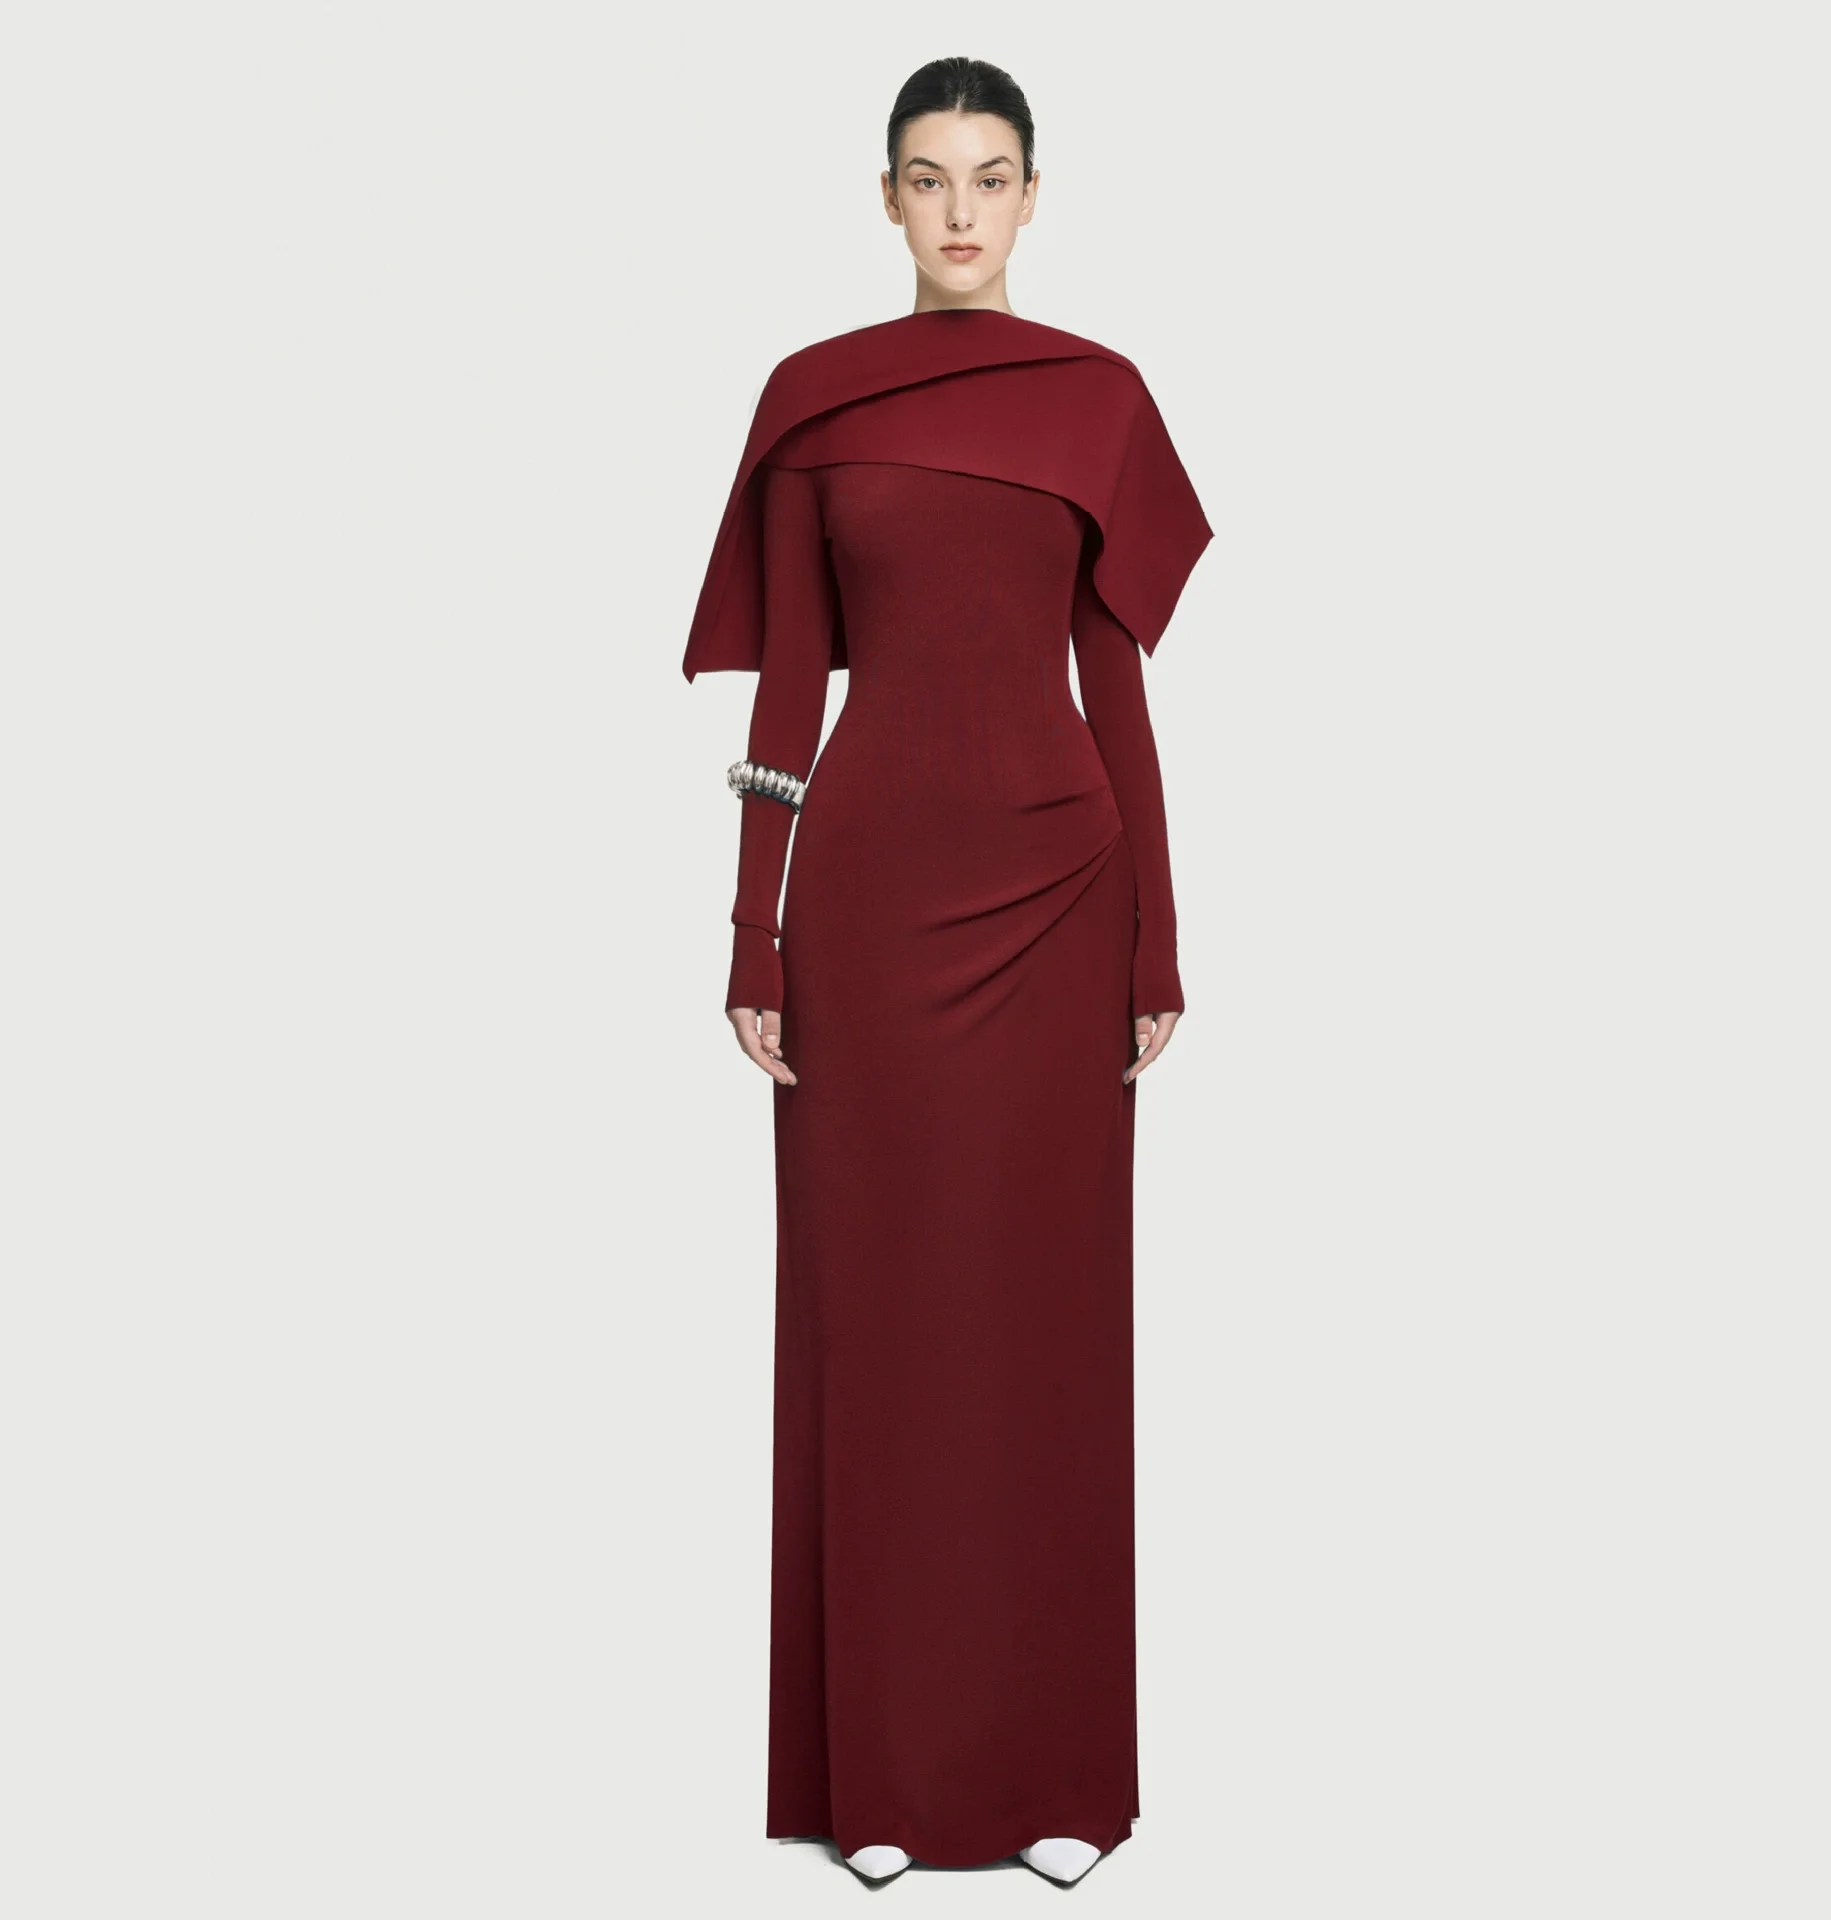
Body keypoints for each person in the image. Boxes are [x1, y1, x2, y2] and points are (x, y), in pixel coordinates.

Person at [682, 55, 1212, 1885]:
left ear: (1034, 195)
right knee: (879, 1321)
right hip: (867, 903)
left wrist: (1160, 928)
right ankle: (884, 1784)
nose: (963, 210)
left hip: (1061, 896)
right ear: (889, 197)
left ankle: (1060, 1778)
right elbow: (786, 688)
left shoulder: (1099, 399)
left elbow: (1115, 678)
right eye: (931, 177)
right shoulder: (813, 404)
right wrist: (751, 924)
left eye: (992, 176)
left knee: (1049, 1331)